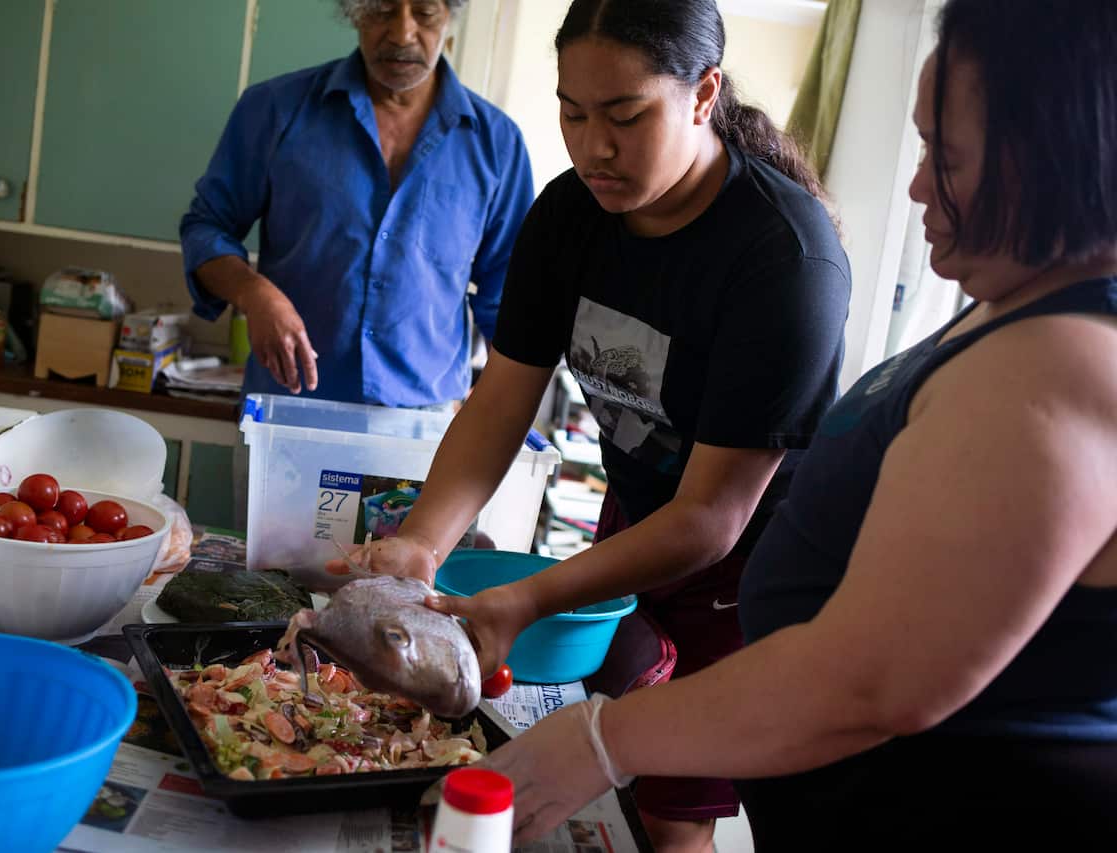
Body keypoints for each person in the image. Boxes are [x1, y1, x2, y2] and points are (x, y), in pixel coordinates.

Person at [438, 0, 1117, 848]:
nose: (913, 186)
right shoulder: (1019, 309)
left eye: (944, 157)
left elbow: (872, 678)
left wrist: (604, 740)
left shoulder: (1061, 361)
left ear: (1051, 158)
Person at [328, 0, 851, 848]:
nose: (593, 146)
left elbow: (713, 517)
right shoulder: (569, 214)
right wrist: (419, 545)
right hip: (641, 530)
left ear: (702, 93)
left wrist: (526, 599)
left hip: (759, 569)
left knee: (675, 815)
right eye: (573, 112)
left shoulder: (783, 259)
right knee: (601, 774)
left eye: (625, 116)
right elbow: (501, 400)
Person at [179, 0, 533, 408]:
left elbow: (510, 297)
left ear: (451, 18)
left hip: (423, 425)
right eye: (381, 9)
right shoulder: (274, 110)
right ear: (354, 13)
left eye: (425, 12)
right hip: (288, 412)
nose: (402, 33)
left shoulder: (498, 144)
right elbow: (206, 226)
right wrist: (253, 293)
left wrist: (502, 415)